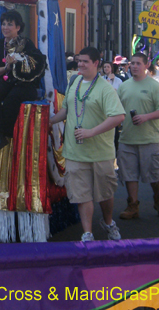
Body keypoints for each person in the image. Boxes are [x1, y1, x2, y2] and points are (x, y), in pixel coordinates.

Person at [50, 47, 125, 242]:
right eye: (78, 61)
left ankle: (108, 222)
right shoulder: (74, 82)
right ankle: (87, 232)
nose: (80, 65)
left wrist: (92, 132)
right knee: (81, 195)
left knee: (105, 194)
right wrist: (47, 121)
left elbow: (118, 116)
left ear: (96, 63)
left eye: (84, 61)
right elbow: (66, 110)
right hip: (75, 151)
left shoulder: (105, 88)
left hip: (100, 152)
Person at [0, 10, 47, 153]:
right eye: (3, 24)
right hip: (6, 81)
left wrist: (20, 62)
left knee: (12, 97)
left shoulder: (27, 44)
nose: (5, 27)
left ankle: (1, 134)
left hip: (25, 84)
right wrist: (7, 67)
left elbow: (37, 66)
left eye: (9, 24)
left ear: (18, 27)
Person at [116, 53, 159, 219]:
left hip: (149, 138)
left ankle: (158, 200)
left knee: (154, 175)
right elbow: (117, 110)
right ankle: (132, 205)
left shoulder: (154, 86)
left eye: (138, 63)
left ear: (146, 65)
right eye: (132, 63)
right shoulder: (124, 86)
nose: (134, 66)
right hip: (127, 138)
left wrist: (146, 116)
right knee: (129, 174)